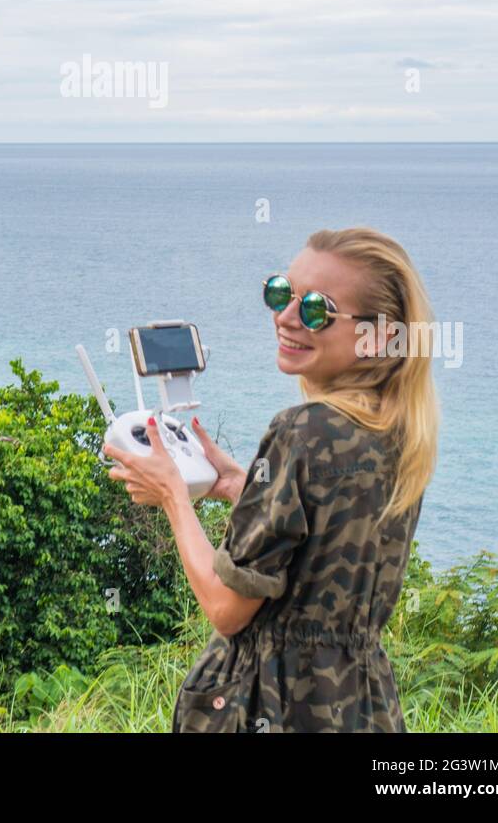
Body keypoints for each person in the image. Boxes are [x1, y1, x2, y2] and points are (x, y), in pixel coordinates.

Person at [102, 226, 440, 733]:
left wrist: (174, 497)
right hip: (362, 703)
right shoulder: (399, 432)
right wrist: (245, 487)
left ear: (378, 336)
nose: (284, 318)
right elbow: (326, 541)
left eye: (315, 310)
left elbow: (226, 609)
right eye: (282, 293)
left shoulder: (300, 432)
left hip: (277, 706)